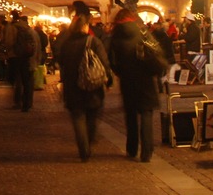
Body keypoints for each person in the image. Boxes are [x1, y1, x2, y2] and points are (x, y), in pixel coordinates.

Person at [108, 8, 167, 163]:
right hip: (145, 78)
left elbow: (112, 60)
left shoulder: (115, 36)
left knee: (131, 115)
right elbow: (157, 50)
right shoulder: (142, 32)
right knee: (146, 113)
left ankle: (132, 148)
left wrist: (120, 72)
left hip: (128, 80)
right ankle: (146, 151)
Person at [56, 13, 111, 162]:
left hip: (72, 85)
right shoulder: (92, 41)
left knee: (78, 116)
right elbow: (104, 62)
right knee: (92, 115)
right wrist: (108, 80)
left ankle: (83, 149)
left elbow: (60, 61)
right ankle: (89, 140)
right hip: (92, 84)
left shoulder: (66, 44)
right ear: (85, 26)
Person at [9, 13, 38, 111]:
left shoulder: (15, 29)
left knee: (19, 81)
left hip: (18, 58)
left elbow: (10, 43)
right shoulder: (29, 31)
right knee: (27, 82)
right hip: (27, 58)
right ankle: (27, 104)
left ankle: (19, 102)